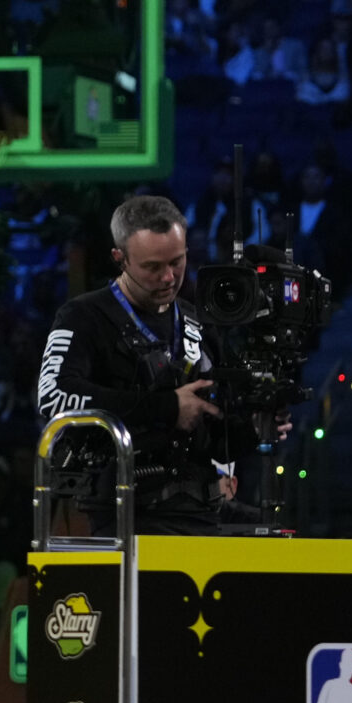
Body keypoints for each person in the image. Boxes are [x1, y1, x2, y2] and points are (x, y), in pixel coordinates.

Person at [36, 195, 285, 534]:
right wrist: (166, 408)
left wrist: (253, 428)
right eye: (153, 267)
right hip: (120, 511)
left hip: (201, 509)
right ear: (119, 258)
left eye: (177, 262)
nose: (168, 277)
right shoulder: (84, 317)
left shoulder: (197, 321)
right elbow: (53, 396)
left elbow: (216, 438)